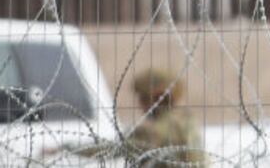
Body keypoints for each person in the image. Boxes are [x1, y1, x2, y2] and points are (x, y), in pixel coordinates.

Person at [47, 67, 207, 166]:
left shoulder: (154, 131)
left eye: (143, 98)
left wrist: (67, 147)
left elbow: (111, 149)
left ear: (158, 97)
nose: (140, 104)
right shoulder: (186, 121)